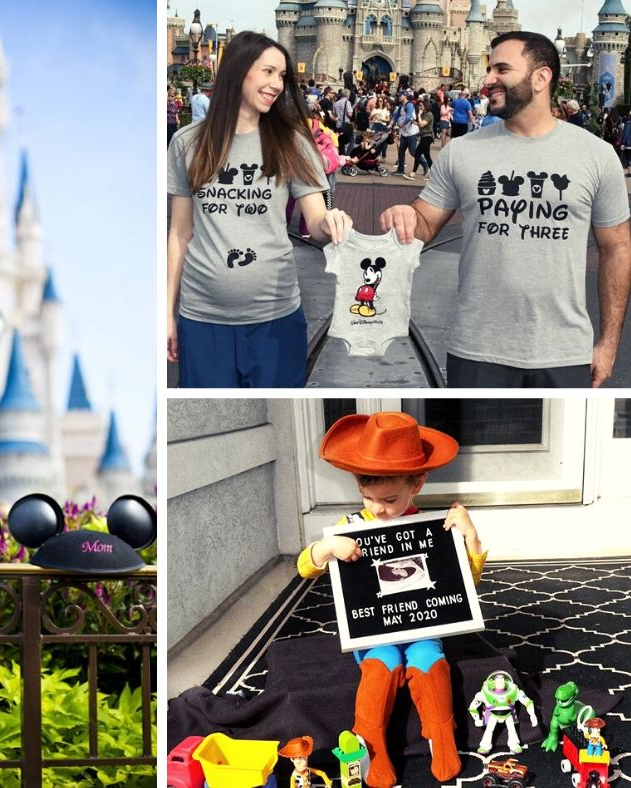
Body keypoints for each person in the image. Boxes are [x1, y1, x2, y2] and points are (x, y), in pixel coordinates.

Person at [380, 31, 631, 387]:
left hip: (564, 351)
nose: (488, 80)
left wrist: (608, 344)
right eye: (488, 69)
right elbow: (423, 223)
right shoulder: (462, 152)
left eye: (502, 69)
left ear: (541, 78)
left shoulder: (597, 156)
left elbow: (617, 248)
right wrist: (405, 217)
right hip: (478, 350)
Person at [297, 412, 486, 788]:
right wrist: (325, 547)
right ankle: (371, 745)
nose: (378, 508)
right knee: (382, 664)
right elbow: (305, 568)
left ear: (417, 483)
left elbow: (464, 586)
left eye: (389, 499)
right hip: (373, 630)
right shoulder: (350, 527)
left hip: (422, 624)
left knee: (428, 661)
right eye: (367, 497)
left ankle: (441, 736)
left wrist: (471, 540)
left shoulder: (435, 527)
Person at [167, 31, 353, 388]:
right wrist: (167, 315)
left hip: (275, 317)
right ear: (239, 71)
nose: (277, 85)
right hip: (203, 318)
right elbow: (179, 233)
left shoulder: (291, 141)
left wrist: (330, 222)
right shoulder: (187, 142)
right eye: (268, 72)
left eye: (282, 76)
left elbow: (314, 219)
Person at [392, 92, 421, 179]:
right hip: (404, 133)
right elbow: (395, 116)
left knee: (413, 151)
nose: (398, 97)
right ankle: (400, 169)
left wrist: (400, 125)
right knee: (401, 151)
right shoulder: (401, 106)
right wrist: (390, 124)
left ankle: (425, 164)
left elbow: (408, 118)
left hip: (411, 133)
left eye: (400, 96)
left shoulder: (410, 105)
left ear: (405, 96)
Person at [411, 97, 434, 177]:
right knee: (427, 156)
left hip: (428, 137)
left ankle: (413, 172)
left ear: (426, 106)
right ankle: (434, 173)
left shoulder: (429, 114)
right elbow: (420, 124)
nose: (420, 107)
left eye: (421, 105)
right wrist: (415, 122)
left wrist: (419, 115)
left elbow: (422, 124)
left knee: (417, 153)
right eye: (419, 106)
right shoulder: (424, 114)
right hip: (424, 136)